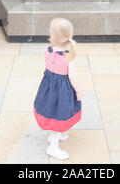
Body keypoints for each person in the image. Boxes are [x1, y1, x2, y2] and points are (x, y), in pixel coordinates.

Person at [33, 17, 82, 160]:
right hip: (62, 93)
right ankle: (53, 147)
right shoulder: (68, 58)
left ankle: (57, 134)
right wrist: (78, 91)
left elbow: (50, 67)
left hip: (48, 90)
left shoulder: (47, 51)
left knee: (52, 112)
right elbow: (72, 78)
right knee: (59, 114)